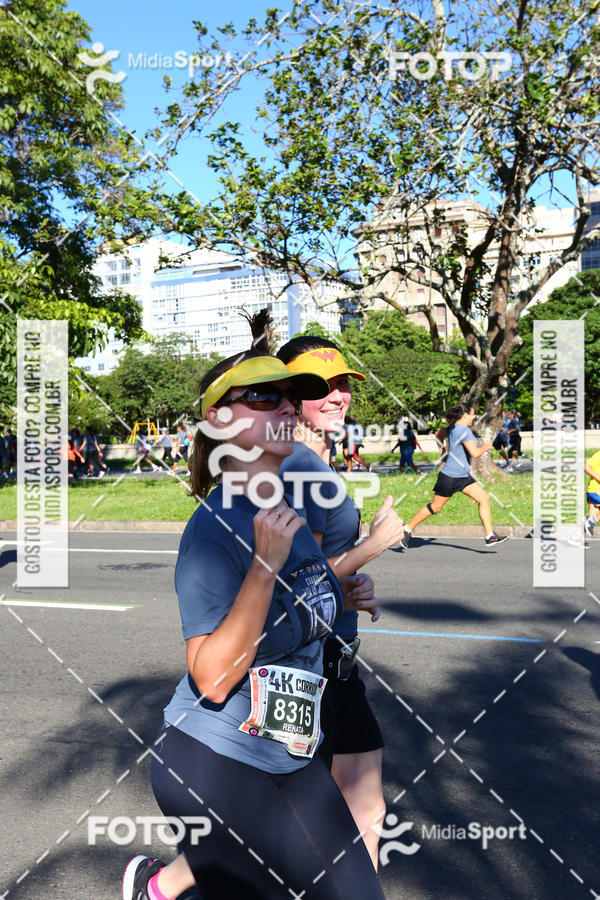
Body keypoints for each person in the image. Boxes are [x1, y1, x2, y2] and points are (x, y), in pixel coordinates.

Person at [122, 318, 385, 900]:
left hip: (291, 754)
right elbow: (212, 676)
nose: (288, 405)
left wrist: (338, 594)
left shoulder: (284, 504)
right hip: (216, 762)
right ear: (220, 419)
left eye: (292, 395)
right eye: (266, 395)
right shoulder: (215, 531)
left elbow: (289, 618)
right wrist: (265, 565)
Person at [276, 334, 406, 870]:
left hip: (332, 656)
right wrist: (373, 546)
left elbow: (313, 572)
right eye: (319, 387)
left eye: (342, 384)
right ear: (290, 396)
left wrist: (350, 585)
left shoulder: (313, 460)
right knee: (345, 810)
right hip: (309, 665)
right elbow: (289, 584)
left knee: (345, 808)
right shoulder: (301, 466)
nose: (337, 396)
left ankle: (165, 885)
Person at [401, 401, 509, 547]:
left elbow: (439, 434)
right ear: (465, 415)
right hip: (450, 477)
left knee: (484, 498)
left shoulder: (453, 427)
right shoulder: (465, 431)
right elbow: (475, 453)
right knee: (435, 507)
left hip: (463, 476)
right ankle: (407, 529)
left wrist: (443, 452)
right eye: (472, 414)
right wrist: (487, 446)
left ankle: (490, 535)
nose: (474, 417)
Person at [584, 450, 600, 536]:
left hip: (594, 490)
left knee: (589, 522)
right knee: (591, 520)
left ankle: (576, 537)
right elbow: (586, 466)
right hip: (596, 490)